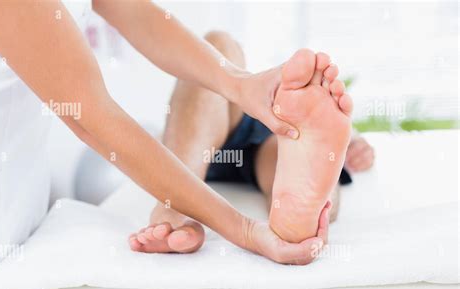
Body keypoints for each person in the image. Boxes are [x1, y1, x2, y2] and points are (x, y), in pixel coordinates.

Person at [0, 0, 331, 271]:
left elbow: (139, 14)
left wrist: (241, 84)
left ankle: (292, 188)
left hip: (21, 209)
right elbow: (91, 117)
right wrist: (243, 230)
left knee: (223, 59)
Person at [129, 31, 374, 253]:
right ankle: (305, 205)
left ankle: (176, 208)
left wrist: (353, 142)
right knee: (220, 46)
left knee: (288, 146)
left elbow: (329, 125)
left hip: (248, 132)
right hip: (223, 131)